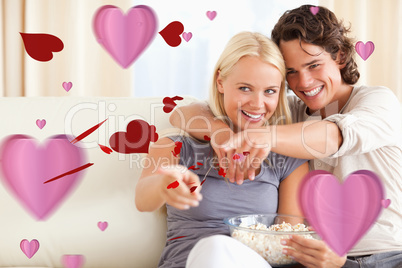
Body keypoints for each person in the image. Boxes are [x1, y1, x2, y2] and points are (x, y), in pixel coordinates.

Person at [169, 5, 402, 268]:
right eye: (291, 72)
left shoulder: (378, 101)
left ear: (340, 56)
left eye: (314, 65)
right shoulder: (291, 111)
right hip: (314, 258)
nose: (303, 82)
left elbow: (332, 137)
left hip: (388, 255)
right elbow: (183, 113)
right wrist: (220, 131)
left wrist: (260, 136)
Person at [135, 31, 309, 268]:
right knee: (214, 247)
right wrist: (165, 184)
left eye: (269, 91)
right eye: (245, 88)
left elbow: (287, 241)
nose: (258, 104)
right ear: (220, 82)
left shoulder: (289, 160)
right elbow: (143, 200)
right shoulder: (175, 146)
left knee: (219, 248)